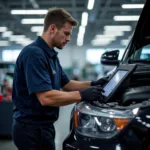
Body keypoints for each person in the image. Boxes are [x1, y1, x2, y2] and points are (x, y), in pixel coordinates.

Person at [12, 8, 107, 150]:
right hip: (30, 130)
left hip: (44, 127)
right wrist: (81, 95)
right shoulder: (34, 54)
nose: (68, 39)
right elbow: (46, 98)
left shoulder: (51, 56)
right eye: (66, 33)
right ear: (52, 28)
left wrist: (93, 84)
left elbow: (67, 84)